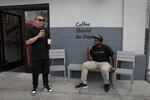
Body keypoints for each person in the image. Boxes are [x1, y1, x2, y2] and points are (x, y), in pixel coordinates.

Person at [25, 15, 52, 95]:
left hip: (45, 56)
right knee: (35, 73)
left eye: (43, 20)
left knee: (45, 72)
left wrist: (49, 44)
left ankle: (46, 86)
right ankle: (34, 87)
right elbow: (27, 42)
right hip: (36, 57)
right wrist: (38, 36)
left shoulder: (46, 30)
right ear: (35, 21)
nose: (42, 21)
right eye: (40, 20)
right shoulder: (31, 30)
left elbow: (49, 39)